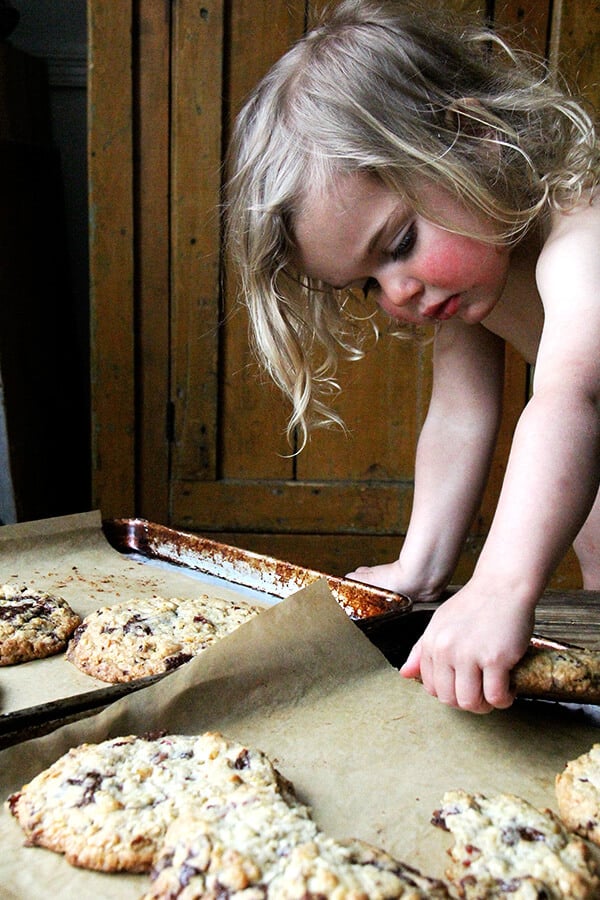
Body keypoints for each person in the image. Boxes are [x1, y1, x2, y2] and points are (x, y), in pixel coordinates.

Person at [225, 0, 600, 713]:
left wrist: (496, 588)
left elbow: (572, 396)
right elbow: (460, 415)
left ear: (474, 136)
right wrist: (420, 567)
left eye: (398, 244)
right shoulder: (472, 277)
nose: (398, 291)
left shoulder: (583, 235)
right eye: (369, 283)